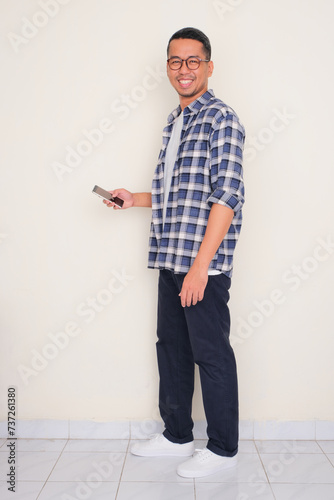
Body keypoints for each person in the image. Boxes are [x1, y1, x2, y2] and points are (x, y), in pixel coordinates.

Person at [104, 27, 245, 478]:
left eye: (192, 61)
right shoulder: (175, 120)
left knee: (211, 353)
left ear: (208, 66)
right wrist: (134, 199)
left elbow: (226, 196)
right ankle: (177, 435)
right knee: (173, 351)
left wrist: (201, 267)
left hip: (200, 265)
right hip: (170, 256)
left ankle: (223, 450)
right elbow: (177, 193)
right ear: (168, 67)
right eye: (175, 61)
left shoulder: (221, 119)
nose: (183, 69)